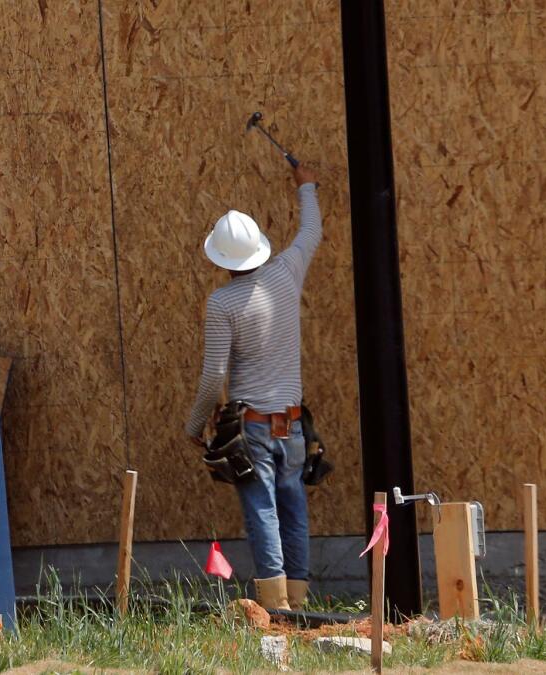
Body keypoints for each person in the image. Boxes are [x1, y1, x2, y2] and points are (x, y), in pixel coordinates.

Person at [185, 162, 321, 611]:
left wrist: (193, 426)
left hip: (253, 430)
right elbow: (311, 231)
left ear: (219, 258)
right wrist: (306, 186)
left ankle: (275, 606)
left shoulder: (223, 303)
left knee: (263, 509)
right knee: (292, 503)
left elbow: (212, 378)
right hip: (291, 423)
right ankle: (298, 604)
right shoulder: (287, 272)